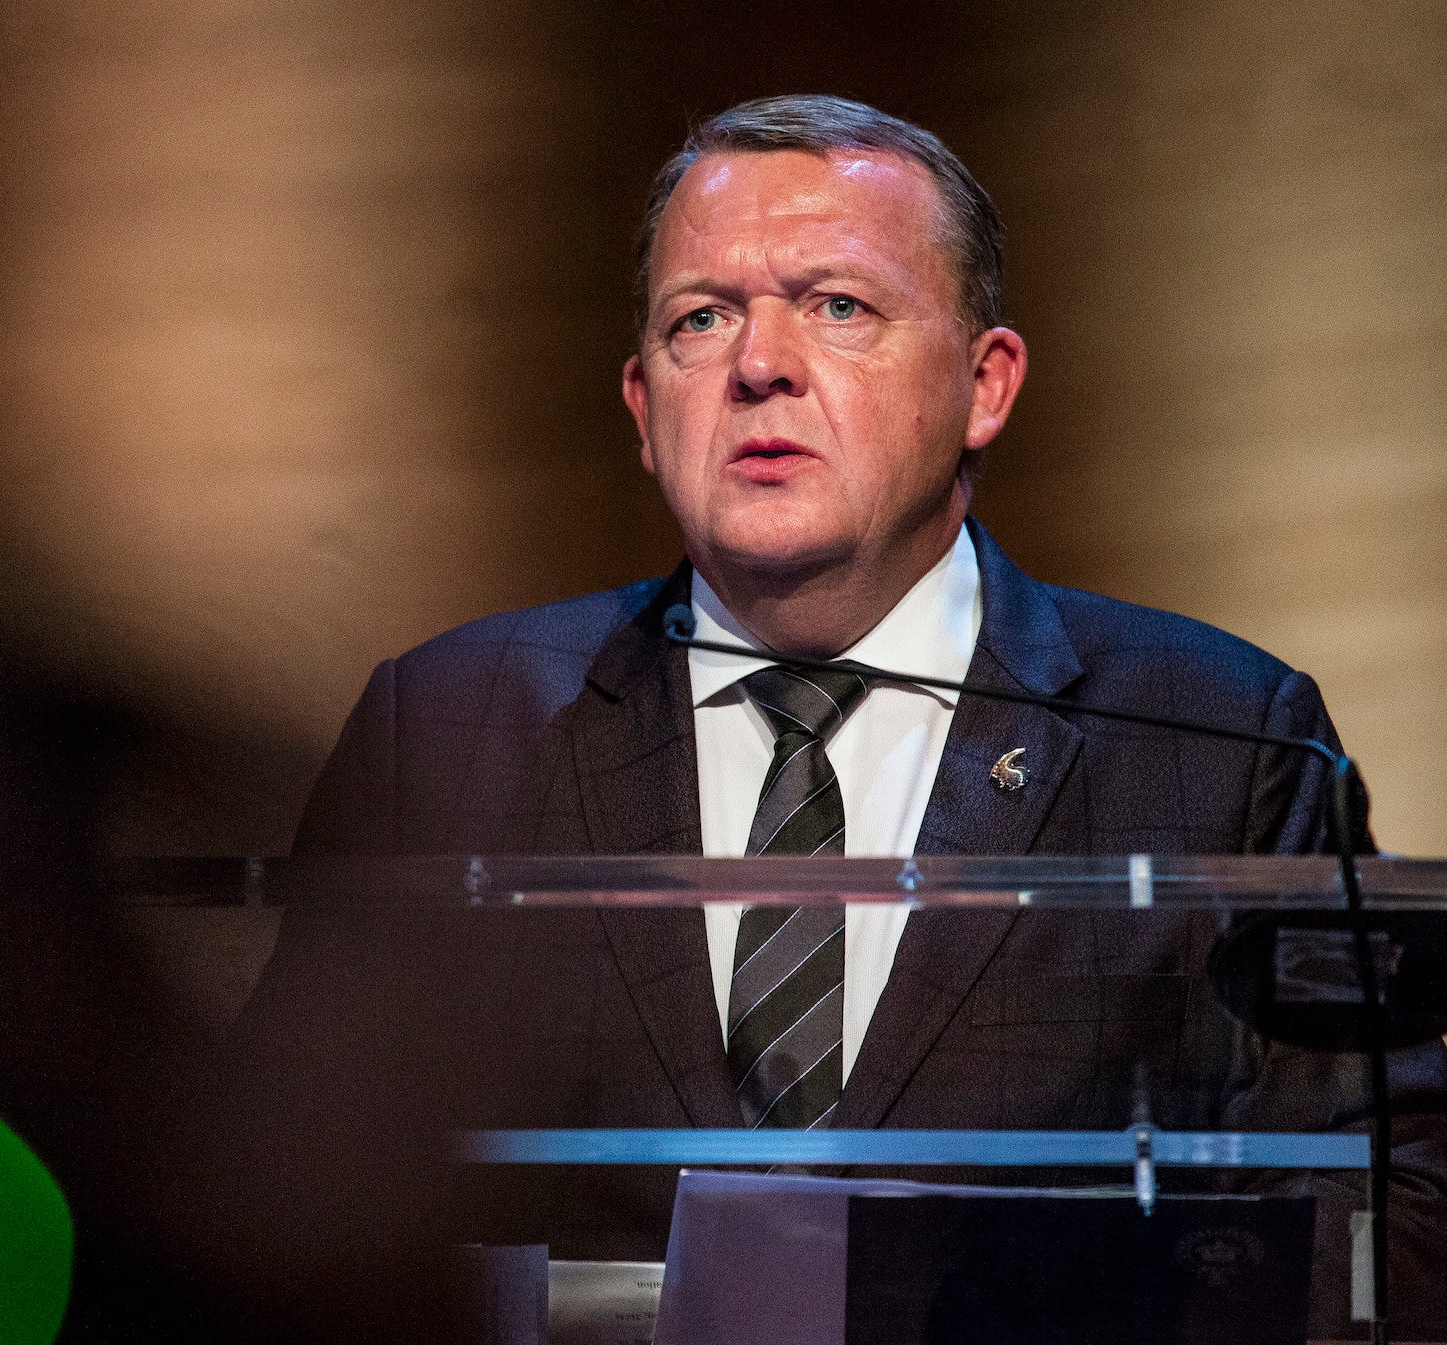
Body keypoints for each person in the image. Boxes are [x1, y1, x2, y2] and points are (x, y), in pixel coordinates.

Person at [240, 95, 1446, 1336]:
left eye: (836, 306)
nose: (757, 363)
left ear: (984, 385)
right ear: (644, 410)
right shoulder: (446, 725)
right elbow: (270, 1192)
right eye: (698, 319)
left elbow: (1386, 1210)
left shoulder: (1221, 737)